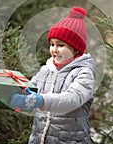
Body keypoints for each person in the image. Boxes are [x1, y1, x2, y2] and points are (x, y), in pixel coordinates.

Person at [10, 7, 96, 143]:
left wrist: (41, 100)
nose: (54, 49)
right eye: (52, 44)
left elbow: (72, 99)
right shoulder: (46, 70)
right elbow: (30, 88)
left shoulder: (84, 73)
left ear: (76, 49)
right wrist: (14, 89)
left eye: (61, 45)